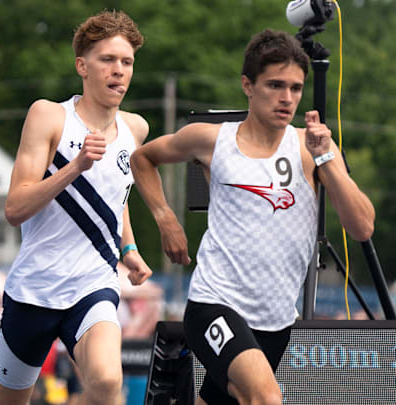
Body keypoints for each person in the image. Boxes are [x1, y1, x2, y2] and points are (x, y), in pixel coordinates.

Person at [130, 29, 375, 405]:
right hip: (215, 303)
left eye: (295, 88)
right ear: (248, 85)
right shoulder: (212, 140)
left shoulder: (312, 149)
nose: (287, 98)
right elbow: (143, 158)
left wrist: (328, 159)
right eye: (275, 85)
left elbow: (361, 227)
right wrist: (167, 220)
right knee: (266, 398)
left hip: (276, 320)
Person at [0, 10, 152, 405]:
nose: (118, 71)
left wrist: (128, 249)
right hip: (35, 290)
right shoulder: (49, 115)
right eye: (107, 60)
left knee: (108, 383)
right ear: (82, 65)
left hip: (93, 285)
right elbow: (14, 208)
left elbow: (117, 196)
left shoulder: (136, 129)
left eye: (126, 62)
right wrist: (76, 166)